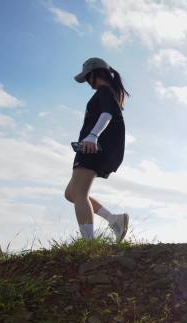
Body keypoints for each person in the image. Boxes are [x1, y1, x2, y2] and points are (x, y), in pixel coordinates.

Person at [64, 57, 129, 242]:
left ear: (94, 74)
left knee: (80, 194)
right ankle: (115, 220)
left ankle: (89, 243)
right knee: (71, 193)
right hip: (92, 147)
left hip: (92, 148)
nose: (86, 82)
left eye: (87, 78)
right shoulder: (108, 92)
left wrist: (93, 135)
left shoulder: (105, 91)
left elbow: (107, 114)